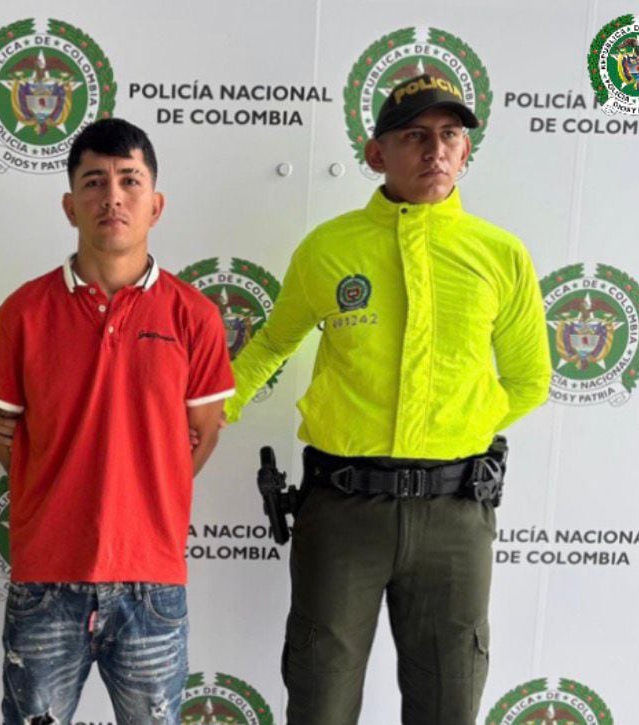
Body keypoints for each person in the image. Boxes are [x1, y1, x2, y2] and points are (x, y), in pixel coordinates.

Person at [225, 75, 551, 723]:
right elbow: (269, 347)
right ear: (377, 154)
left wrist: (451, 431)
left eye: (449, 135)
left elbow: (528, 378)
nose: (435, 150)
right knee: (319, 701)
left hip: (454, 517)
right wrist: (208, 414)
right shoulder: (328, 248)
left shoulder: (500, 255)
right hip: (342, 511)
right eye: (413, 136)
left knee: (448, 703)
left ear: (465, 151)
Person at [0, 118, 234, 724]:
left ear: (155, 204)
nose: (112, 197)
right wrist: (57, 481)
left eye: (129, 180)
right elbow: (3, 432)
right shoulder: (23, 312)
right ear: (70, 205)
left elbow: (201, 435)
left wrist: (147, 483)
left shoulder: (195, 315)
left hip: (153, 583)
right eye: (94, 182)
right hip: (46, 580)